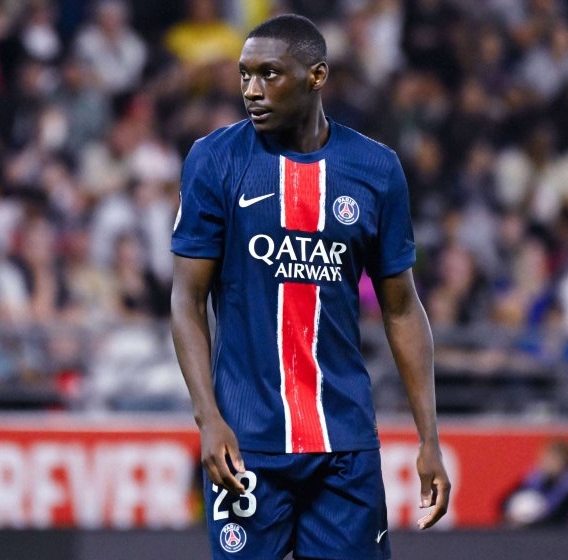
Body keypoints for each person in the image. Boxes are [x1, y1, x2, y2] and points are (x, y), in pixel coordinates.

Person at [171, 14, 450, 559]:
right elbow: (186, 300)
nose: (251, 90)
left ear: (316, 76)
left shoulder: (376, 169)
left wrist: (429, 438)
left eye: (269, 74)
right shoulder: (214, 160)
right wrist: (209, 419)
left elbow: (401, 308)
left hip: (344, 443)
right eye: (244, 75)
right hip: (247, 442)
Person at [500, 440, 568, 528]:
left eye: (553, 459)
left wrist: (531, 521)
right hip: (527, 528)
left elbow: (561, 516)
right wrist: (513, 515)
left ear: (565, 463)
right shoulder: (532, 478)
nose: (547, 462)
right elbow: (504, 501)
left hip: (560, 530)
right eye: (545, 458)